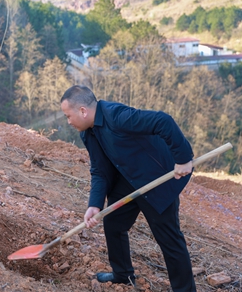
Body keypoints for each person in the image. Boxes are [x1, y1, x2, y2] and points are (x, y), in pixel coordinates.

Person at [60, 85, 196, 292]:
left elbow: (163, 121)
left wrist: (184, 158)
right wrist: (94, 204)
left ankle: (185, 290)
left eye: (68, 116)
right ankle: (122, 274)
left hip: (157, 179)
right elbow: (99, 170)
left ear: (83, 111)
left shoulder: (117, 116)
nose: (68, 122)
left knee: (169, 239)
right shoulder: (88, 133)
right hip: (128, 179)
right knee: (113, 223)